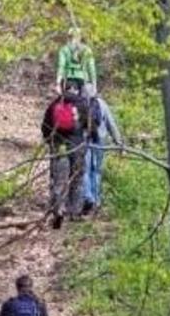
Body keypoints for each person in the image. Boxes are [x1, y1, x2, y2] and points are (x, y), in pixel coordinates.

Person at [40, 82, 89, 229]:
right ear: (76, 90)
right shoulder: (81, 104)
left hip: (59, 146)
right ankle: (75, 212)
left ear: (62, 89)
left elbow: (45, 127)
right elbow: (91, 125)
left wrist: (50, 141)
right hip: (77, 146)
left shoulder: (54, 104)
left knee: (59, 180)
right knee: (77, 179)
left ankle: (58, 210)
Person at [82, 84, 124, 215]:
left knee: (85, 169)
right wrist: (119, 142)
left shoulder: (79, 103)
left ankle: (88, 197)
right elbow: (111, 124)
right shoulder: (101, 103)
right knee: (97, 170)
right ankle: (96, 200)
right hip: (99, 140)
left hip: (84, 141)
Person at [55, 27, 97, 96]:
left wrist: (58, 83)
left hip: (69, 79)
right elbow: (91, 68)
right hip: (84, 80)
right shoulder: (87, 50)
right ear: (80, 37)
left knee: (68, 100)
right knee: (84, 100)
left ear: (69, 37)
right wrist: (94, 85)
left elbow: (61, 66)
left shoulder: (64, 49)